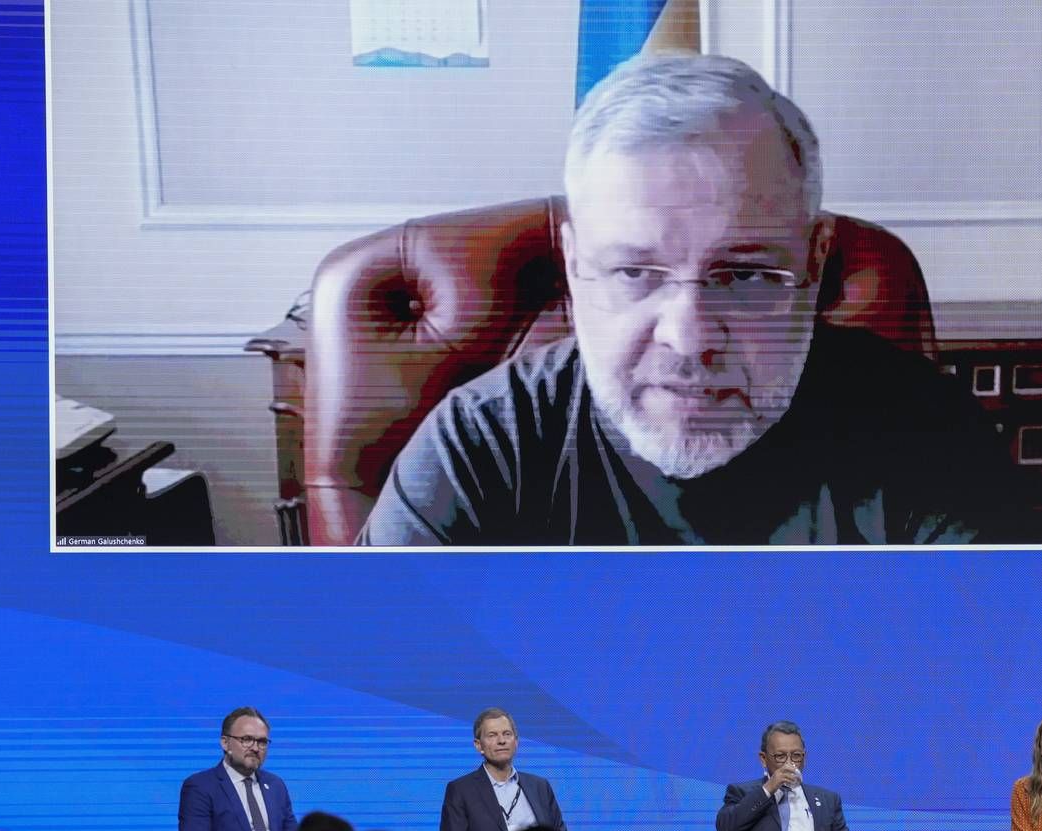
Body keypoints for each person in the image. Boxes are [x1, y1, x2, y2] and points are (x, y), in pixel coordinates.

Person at [358, 52, 999, 546]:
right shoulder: (482, 446)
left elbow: (999, 684)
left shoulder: (925, 433)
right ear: (576, 267)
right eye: (636, 272)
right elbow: (368, 694)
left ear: (816, 258)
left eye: (745, 276)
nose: (688, 338)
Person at [438, 707, 568, 831]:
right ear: (478, 745)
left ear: (516, 742)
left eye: (507, 734)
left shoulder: (540, 786)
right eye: (492, 735)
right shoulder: (461, 790)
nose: (502, 741)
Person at [715, 720, 854, 831]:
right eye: (780, 756)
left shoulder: (828, 799)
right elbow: (726, 830)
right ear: (763, 759)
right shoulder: (741, 792)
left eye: (796, 756)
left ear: (805, 758)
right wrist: (769, 788)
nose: (790, 764)